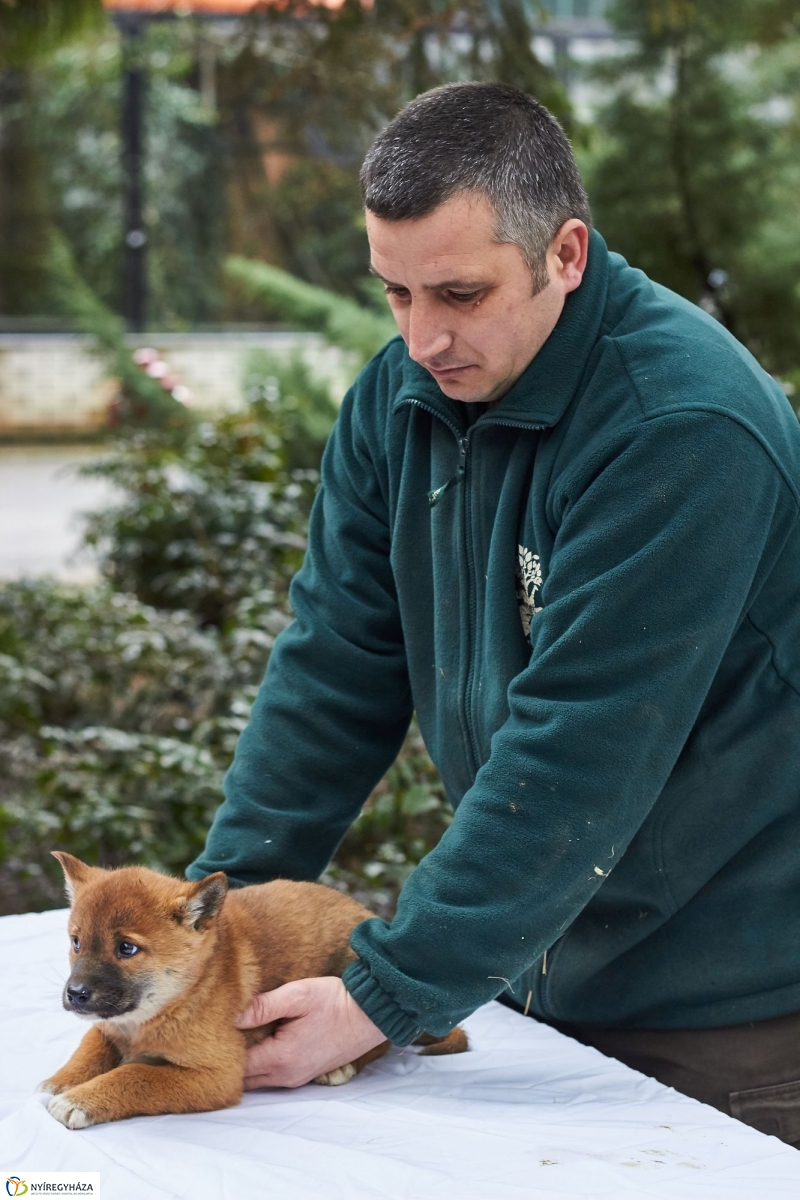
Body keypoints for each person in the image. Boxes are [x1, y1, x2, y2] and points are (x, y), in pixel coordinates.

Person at [187, 83, 800, 1146]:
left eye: (459, 295)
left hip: (727, 1018)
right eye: (393, 293)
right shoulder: (400, 398)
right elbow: (334, 666)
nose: (421, 338)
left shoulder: (682, 429)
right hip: (526, 979)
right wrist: (209, 920)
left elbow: (579, 751)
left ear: (563, 254)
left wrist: (383, 994)